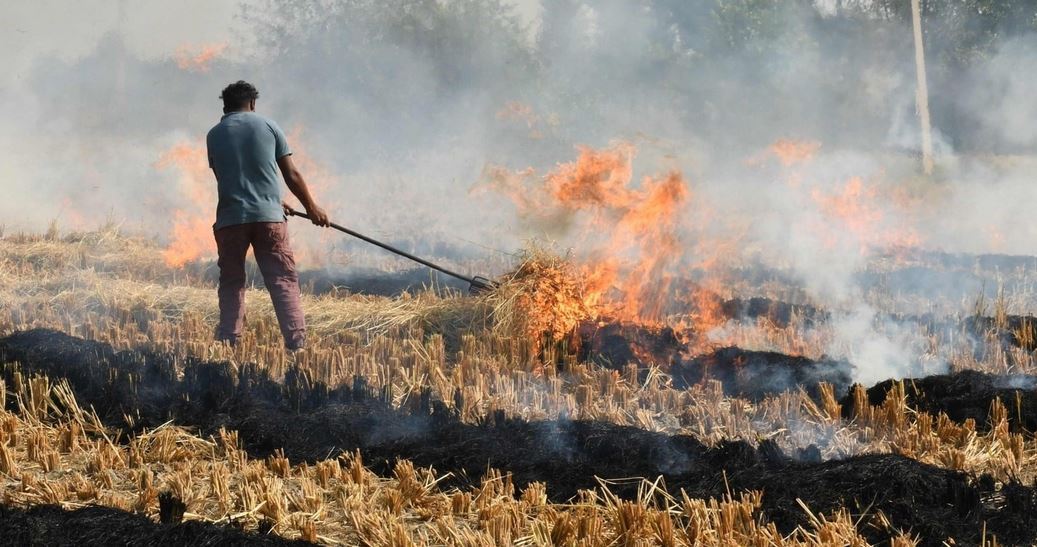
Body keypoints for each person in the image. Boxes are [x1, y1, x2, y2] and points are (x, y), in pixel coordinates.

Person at [206, 80, 330, 351]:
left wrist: (276, 200)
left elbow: (226, 178)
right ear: (252, 103)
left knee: (232, 282)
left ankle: (229, 341)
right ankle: (296, 344)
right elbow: (292, 174)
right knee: (282, 280)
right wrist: (311, 208)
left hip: (231, 220)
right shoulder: (268, 126)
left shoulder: (213, 135)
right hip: (269, 219)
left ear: (225, 106)